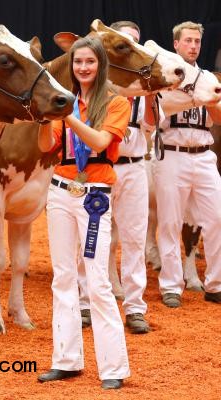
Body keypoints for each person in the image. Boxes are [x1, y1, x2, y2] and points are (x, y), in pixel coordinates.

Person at [36, 37, 131, 390]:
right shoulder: (67, 103)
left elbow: (101, 143)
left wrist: (66, 116)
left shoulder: (117, 103)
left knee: (97, 280)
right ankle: (66, 360)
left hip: (95, 197)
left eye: (90, 61)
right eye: (78, 63)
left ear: (100, 64)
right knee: (62, 277)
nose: (83, 68)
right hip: (60, 192)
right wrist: (48, 118)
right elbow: (47, 147)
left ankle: (113, 368)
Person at [79, 21, 158, 334]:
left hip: (135, 165)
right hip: (98, 167)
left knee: (135, 238)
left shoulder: (144, 84)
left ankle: (135, 307)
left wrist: (151, 93)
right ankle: (86, 303)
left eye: (134, 41)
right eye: (124, 41)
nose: (131, 46)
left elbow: (151, 125)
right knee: (92, 236)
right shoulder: (95, 85)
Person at [155, 21, 221, 308]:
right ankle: (171, 285)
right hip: (172, 151)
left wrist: (206, 99)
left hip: (205, 153)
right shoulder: (164, 78)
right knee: (169, 222)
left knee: (217, 219)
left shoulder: (208, 78)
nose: (193, 46)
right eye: (188, 41)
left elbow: (218, 118)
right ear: (176, 45)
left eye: (197, 41)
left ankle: (215, 284)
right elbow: (153, 118)